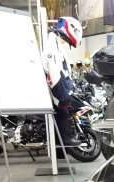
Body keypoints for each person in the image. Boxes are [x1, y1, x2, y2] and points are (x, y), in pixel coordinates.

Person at [41, 16, 84, 146]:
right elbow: (53, 70)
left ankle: (62, 144)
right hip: (55, 88)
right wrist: (62, 94)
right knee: (63, 110)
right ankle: (66, 138)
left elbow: (63, 70)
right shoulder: (52, 44)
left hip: (58, 86)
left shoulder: (56, 44)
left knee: (64, 109)